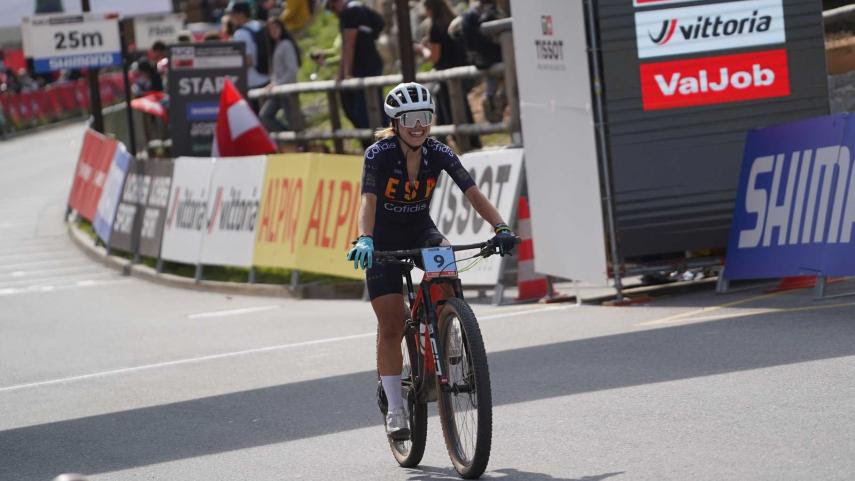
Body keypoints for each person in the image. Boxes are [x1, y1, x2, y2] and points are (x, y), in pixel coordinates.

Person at [346, 82, 516, 440]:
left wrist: (500, 227)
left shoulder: (438, 152)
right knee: (391, 324)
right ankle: (395, 409)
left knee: (445, 261)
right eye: (410, 119)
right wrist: (365, 238)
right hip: (383, 240)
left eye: (424, 117)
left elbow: (472, 192)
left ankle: (447, 328)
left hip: (421, 230)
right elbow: (368, 201)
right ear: (395, 123)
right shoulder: (378, 154)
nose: (419, 125)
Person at [325, 0, 386, 148]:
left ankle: (379, 146)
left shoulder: (350, 12)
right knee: (362, 108)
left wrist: (346, 74)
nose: (334, 13)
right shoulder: (363, 9)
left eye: (332, 8)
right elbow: (379, 24)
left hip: (363, 69)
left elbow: (349, 44)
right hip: (371, 65)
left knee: (363, 112)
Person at [421, 0, 481, 149]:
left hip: (445, 75)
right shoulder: (453, 21)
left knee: (451, 113)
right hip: (461, 71)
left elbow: (434, 57)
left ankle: (463, 143)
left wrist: (421, 50)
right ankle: (465, 142)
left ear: (430, 9)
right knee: (458, 110)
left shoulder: (435, 27)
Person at [259, 18, 301, 132]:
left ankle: (294, 139)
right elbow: (277, 71)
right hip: (278, 90)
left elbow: (292, 70)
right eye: (270, 29)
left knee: (293, 121)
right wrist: (273, 83)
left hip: (287, 90)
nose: (274, 31)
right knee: (265, 116)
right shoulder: (276, 46)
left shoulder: (286, 44)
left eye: (276, 28)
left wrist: (277, 83)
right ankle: (288, 137)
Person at [227, 2, 271, 91]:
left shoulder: (240, 34)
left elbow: (248, 61)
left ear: (241, 14)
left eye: (232, 14)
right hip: (267, 78)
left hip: (252, 82)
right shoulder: (259, 25)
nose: (230, 17)